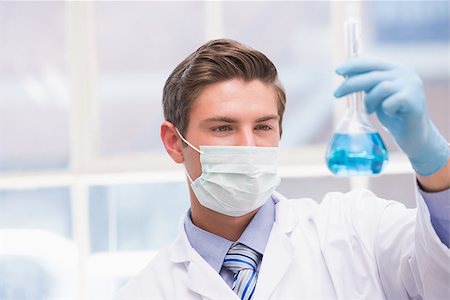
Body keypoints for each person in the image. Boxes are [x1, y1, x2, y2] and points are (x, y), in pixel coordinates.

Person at [115, 39, 450, 299]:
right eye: (223, 128)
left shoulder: (356, 230)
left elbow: (439, 274)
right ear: (175, 142)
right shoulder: (145, 292)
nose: (248, 145)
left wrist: (432, 158)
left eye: (263, 127)